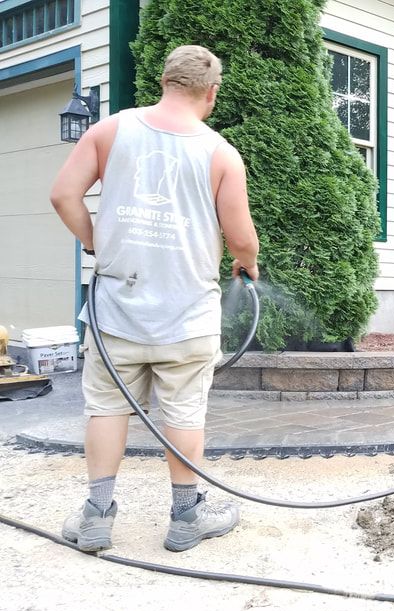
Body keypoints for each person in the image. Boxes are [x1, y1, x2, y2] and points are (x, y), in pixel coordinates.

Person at [50, 45, 260, 553]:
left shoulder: (109, 131)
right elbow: (242, 240)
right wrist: (246, 264)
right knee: (184, 413)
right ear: (211, 93)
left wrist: (96, 240)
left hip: (115, 313)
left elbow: (62, 195)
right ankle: (186, 518)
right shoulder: (221, 154)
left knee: (106, 408)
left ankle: (97, 516)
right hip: (186, 318)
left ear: (164, 81)